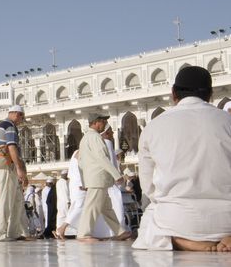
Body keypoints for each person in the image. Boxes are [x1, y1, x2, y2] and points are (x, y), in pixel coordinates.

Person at [134, 66, 231, 252]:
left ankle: (184, 242)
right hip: (227, 220)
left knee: (150, 218)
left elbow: (149, 188)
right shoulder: (227, 121)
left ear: (173, 94)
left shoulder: (153, 127)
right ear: (210, 94)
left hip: (178, 221)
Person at [76, 113, 130, 242]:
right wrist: (116, 175)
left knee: (107, 208)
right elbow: (102, 158)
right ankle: (83, 234)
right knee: (92, 207)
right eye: (102, 121)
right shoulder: (95, 137)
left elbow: (80, 162)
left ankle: (119, 231)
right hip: (98, 178)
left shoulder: (85, 138)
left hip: (94, 178)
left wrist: (84, 181)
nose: (105, 124)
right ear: (96, 122)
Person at [0, 105, 29, 241]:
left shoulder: (1, 125)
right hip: (7, 168)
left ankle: (13, 232)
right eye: (22, 117)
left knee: (17, 200)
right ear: (17, 114)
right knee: (5, 200)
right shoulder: (10, 125)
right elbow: (12, 148)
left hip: (1, 167)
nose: (21, 120)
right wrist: (19, 168)